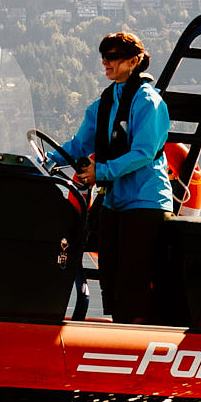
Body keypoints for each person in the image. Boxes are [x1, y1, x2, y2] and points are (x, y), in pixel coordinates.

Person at [63, 30, 173, 322]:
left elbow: (144, 153)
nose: (105, 64)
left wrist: (101, 171)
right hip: (114, 201)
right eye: (104, 58)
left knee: (131, 277)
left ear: (133, 61)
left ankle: (138, 330)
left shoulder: (148, 101)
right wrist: (44, 159)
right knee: (109, 275)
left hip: (146, 201)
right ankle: (119, 327)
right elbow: (78, 144)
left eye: (112, 58)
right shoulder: (103, 103)